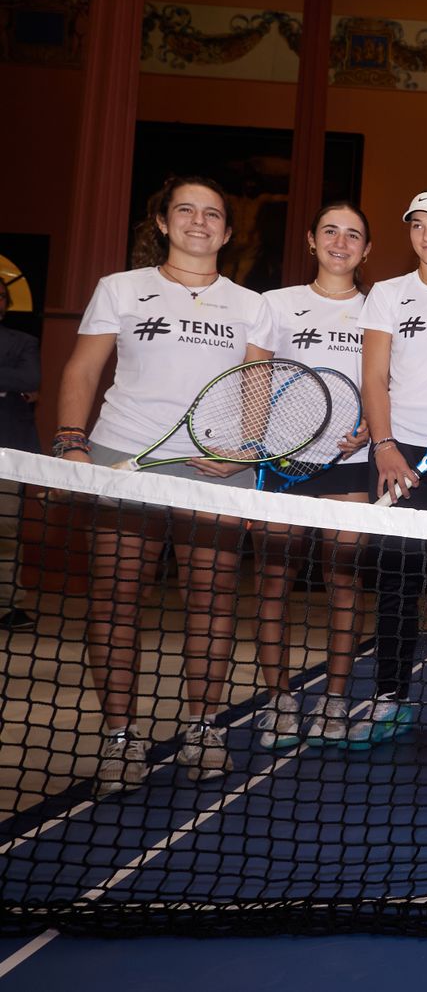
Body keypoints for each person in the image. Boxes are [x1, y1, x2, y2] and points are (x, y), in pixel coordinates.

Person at [55, 175, 274, 796]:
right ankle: (120, 737)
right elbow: (83, 368)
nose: (198, 222)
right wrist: (72, 441)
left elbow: (257, 383)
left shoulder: (251, 304)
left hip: (217, 471)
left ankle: (204, 729)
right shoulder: (120, 288)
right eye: (186, 210)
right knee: (116, 600)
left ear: (227, 232)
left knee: (212, 603)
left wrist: (245, 450)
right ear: (162, 222)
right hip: (126, 457)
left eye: (212, 214)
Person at [251, 202, 372, 749]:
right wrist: (255, 449)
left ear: (367, 249)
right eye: (330, 231)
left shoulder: (376, 309)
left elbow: (385, 382)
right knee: (273, 583)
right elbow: (256, 379)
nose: (340, 243)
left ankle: (335, 700)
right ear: (311, 239)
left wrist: (372, 426)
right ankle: (279, 701)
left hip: (349, 466)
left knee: (344, 582)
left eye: (353, 235)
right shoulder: (276, 304)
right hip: (282, 466)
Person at [354, 189, 427, 747]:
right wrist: (384, 445)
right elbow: (374, 377)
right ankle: (390, 696)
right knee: (396, 582)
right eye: (417, 224)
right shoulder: (388, 293)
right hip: (399, 453)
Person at [0, 282, 40, 632]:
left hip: (7, 449)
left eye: (0, 295)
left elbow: (29, 377)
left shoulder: (23, 342)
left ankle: (7, 605)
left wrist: (14, 385)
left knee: (5, 528)